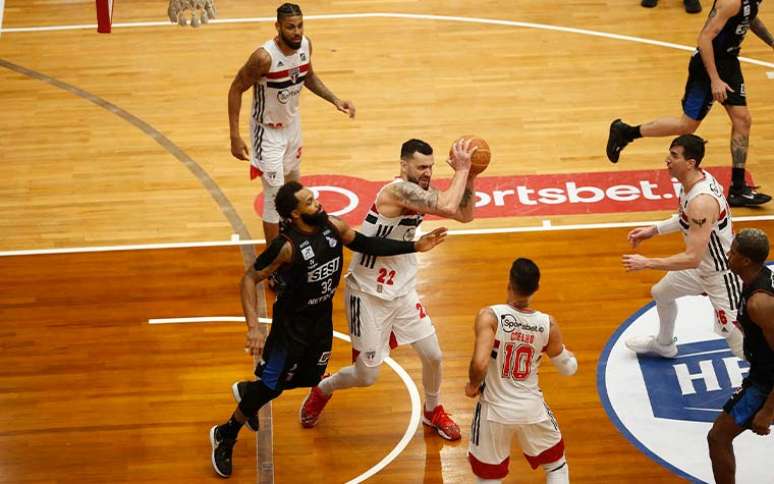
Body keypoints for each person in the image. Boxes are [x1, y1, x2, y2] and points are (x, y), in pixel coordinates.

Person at [208, 181, 447, 478]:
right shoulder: (285, 246)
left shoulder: (332, 225)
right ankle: (226, 433)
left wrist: (415, 246)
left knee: (308, 379)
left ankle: (249, 391)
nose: (317, 204)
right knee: (272, 386)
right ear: (295, 214)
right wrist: (254, 328)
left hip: (321, 322)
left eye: (314, 198)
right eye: (309, 202)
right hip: (291, 327)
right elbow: (248, 279)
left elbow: (365, 243)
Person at [297, 137, 479, 441]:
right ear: (403, 165)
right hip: (367, 293)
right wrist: (461, 169)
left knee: (433, 354)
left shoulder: (420, 193)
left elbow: (465, 214)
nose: (427, 173)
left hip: (402, 290)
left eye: (431, 167)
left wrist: (470, 176)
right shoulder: (397, 191)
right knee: (366, 375)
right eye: (421, 166)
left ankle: (433, 410)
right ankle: (323, 388)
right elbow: (448, 203)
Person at [607, 0, 774, 207]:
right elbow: (704, 38)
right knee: (686, 126)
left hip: (729, 62)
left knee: (742, 120)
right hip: (707, 66)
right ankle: (626, 132)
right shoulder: (731, 1)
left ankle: (738, 188)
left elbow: (749, 17)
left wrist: (771, 42)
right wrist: (714, 79)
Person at [228, 2, 356, 245]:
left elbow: (307, 75)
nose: (296, 32)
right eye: (290, 27)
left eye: (299, 26)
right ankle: (273, 259)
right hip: (266, 132)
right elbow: (235, 89)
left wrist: (335, 100)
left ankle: (293, 237)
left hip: (292, 126)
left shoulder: (305, 45)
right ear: (277, 27)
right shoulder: (263, 58)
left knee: (294, 186)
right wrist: (234, 136)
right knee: (273, 196)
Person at [622, 134, 745, 359]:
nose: (667, 159)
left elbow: (691, 258)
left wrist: (648, 262)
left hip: (721, 274)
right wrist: (654, 229)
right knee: (661, 293)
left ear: (690, 163)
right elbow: (685, 218)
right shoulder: (694, 181)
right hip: (700, 267)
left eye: (674, 156)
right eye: (669, 153)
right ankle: (664, 344)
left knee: (738, 342)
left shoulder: (701, 201)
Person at [465, 258, 577, 484]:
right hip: (532, 410)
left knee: (489, 477)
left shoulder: (490, 316)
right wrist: (568, 356)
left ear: (509, 283)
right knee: (556, 465)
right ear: (536, 288)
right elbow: (568, 369)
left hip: (493, 412)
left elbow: (479, 364)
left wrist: (473, 385)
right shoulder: (548, 324)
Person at [708, 228, 773, 484]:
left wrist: (768, 410)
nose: (727, 254)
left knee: (718, 437)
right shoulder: (757, 279)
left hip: (766, 383)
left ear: (746, 261)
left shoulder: (759, 304)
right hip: (762, 374)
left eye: (733, 252)